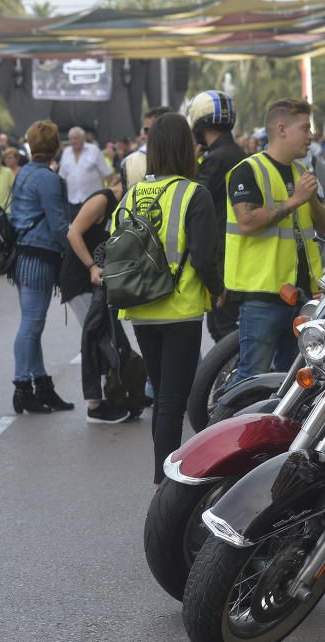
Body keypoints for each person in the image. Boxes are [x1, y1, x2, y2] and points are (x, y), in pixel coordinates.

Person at [113, 112, 224, 485]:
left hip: (141, 308)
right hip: (180, 310)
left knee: (163, 398)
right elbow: (206, 256)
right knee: (173, 403)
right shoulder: (195, 193)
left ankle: (163, 474)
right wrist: (219, 290)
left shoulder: (132, 194)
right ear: (185, 148)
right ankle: (167, 482)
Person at [226, 98, 325, 385]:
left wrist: (312, 201)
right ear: (282, 129)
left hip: (301, 296)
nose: (311, 136)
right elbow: (246, 222)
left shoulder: (300, 173)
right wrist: (295, 200)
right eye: (305, 128)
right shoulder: (248, 170)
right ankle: (235, 427)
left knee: (290, 381)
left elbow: (323, 225)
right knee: (253, 378)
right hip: (262, 295)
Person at [9, 120, 73, 413]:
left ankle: (41, 384)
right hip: (39, 257)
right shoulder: (48, 178)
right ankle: (23, 387)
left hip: (21, 256)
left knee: (31, 325)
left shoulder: (23, 173)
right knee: (31, 326)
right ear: (55, 146)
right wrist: (75, 254)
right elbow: (59, 226)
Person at [64, 174, 130, 423]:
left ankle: (118, 392)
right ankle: (94, 405)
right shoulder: (102, 200)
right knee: (94, 337)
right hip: (80, 278)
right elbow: (73, 234)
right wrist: (91, 266)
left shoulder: (123, 203)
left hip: (101, 281)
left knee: (112, 337)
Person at [187, 90, 246, 343]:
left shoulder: (215, 160)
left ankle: (239, 382)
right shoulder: (238, 154)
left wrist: (191, 161)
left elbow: (192, 199)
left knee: (221, 327)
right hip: (236, 251)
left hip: (222, 255)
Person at [59, 126, 112, 221]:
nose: (74, 141)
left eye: (76, 138)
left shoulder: (94, 150)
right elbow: (62, 177)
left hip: (93, 200)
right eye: (71, 139)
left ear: (83, 138)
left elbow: (107, 173)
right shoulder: (66, 153)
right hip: (73, 202)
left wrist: (107, 195)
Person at [120, 106, 171, 190]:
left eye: (147, 130)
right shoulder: (131, 162)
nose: (143, 136)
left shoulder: (186, 157)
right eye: (144, 130)